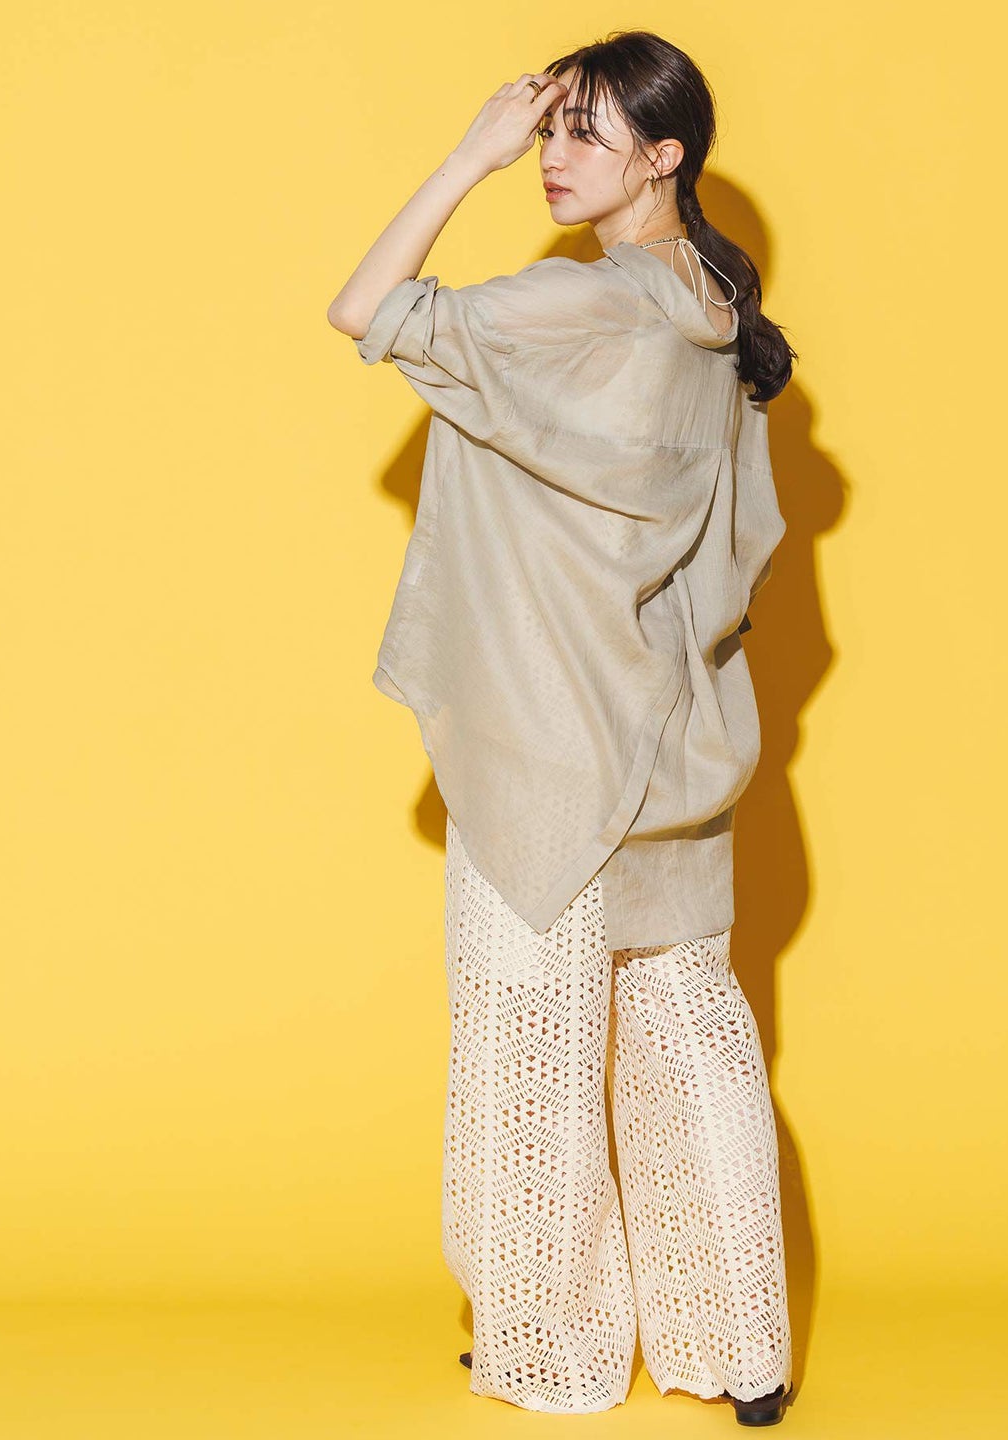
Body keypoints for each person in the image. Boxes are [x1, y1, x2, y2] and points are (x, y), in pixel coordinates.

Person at [328, 28, 798, 1427]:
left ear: (665, 155)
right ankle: (741, 1347)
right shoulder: (716, 306)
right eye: (544, 131)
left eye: (586, 131)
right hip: (676, 731)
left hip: (548, 735)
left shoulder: (581, 305)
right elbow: (742, 541)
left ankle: (555, 1352)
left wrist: (464, 158)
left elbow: (366, 308)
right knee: (687, 1026)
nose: (550, 154)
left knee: (527, 1044)